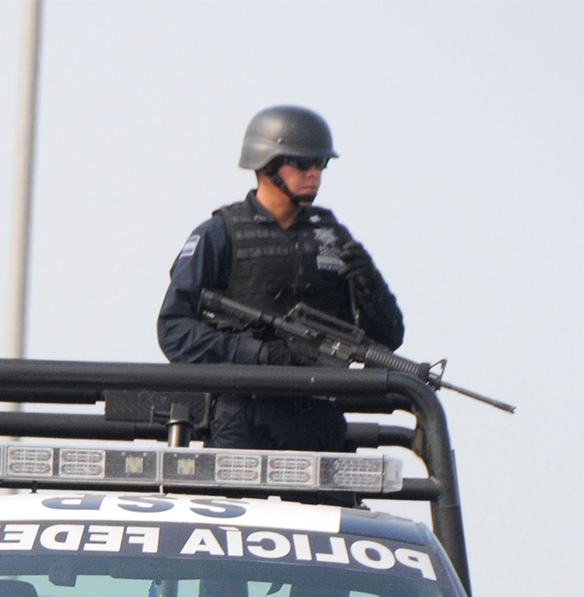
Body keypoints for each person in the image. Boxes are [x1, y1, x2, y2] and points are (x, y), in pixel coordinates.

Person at [157, 105, 405, 451]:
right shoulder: (220, 234)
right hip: (244, 413)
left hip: (318, 414)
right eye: (302, 164)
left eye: (321, 164)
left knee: (329, 507)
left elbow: (389, 337)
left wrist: (372, 287)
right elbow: (175, 331)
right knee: (233, 506)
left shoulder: (333, 237)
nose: (314, 174)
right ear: (267, 166)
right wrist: (258, 355)